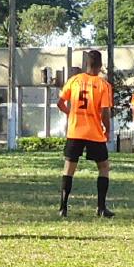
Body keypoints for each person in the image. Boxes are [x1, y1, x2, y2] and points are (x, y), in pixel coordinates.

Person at [56, 49, 114, 217]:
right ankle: (101, 208)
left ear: (86, 64)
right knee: (103, 167)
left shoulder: (74, 80)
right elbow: (105, 112)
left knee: (69, 168)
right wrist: (107, 130)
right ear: (100, 65)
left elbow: (60, 103)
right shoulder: (103, 85)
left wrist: (71, 113)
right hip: (94, 132)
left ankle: (63, 208)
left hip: (75, 131)